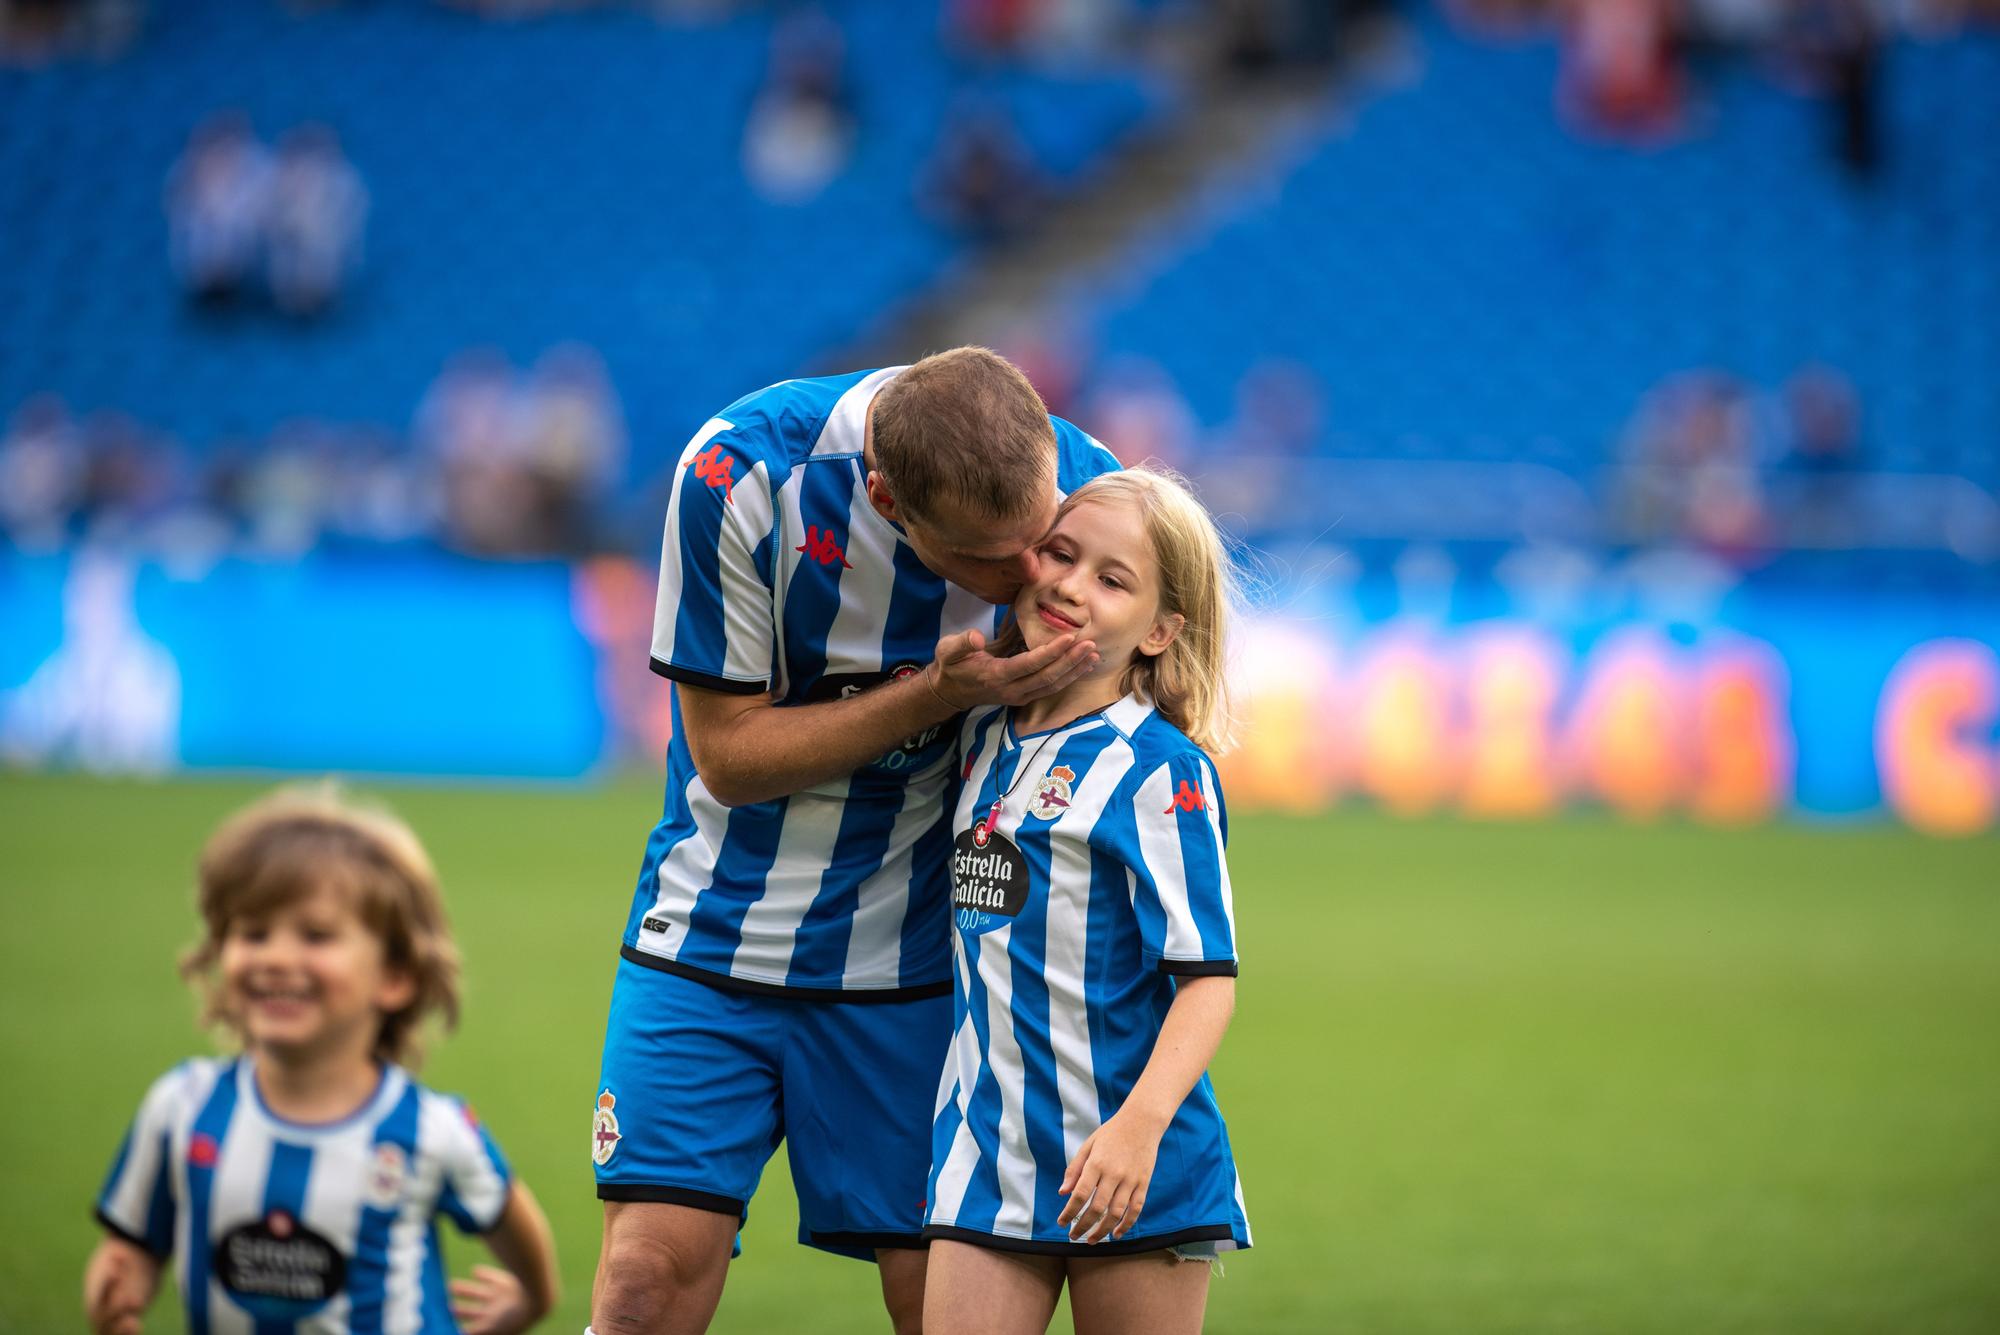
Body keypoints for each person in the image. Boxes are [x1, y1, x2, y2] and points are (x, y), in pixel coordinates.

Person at [590, 347, 1120, 1335]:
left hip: (919, 966)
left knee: (943, 1309)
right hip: (711, 934)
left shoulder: (1094, 497)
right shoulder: (738, 475)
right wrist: (935, 694)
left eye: (1034, 540)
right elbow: (730, 759)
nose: (1024, 578)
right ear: (884, 498)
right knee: (643, 1284)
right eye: (983, 558)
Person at [923, 467, 1251, 1335]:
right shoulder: (982, 732)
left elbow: (1208, 979)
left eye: (1114, 579)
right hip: (989, 1150)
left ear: (1159, 631)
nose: (1073, 585)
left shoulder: (1161, 771)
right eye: (1062, 555)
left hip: (1134, 1162)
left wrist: (1138, 1129)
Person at [84, 785, 560, 1335]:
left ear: (395, 976)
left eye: (315, 936)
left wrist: (532, 1301)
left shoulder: (430, 1131)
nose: (278, 959)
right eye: (254, 933)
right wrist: (118, 1297)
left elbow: (514, 1223)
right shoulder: (182, 1107)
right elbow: (133, 1251)